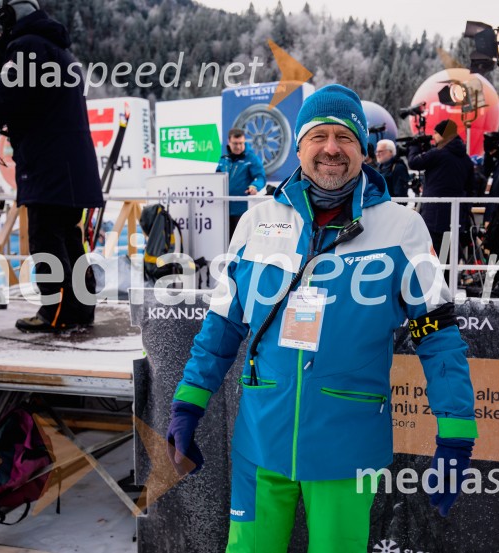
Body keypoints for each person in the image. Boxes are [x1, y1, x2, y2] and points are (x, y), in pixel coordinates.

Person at [166, 85, 477, 553]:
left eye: (345, 137)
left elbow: (438, 334)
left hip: (346, 448)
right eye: (318, 136)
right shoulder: (256, 222)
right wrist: (188, 404)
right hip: (260, 438)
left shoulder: (402, 228)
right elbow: (223, 324)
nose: (331, 148)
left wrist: (455, 433)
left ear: (364, 149)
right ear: (299, 147)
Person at [0, 0, 102, 333]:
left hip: (48, 164)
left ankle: (54, 311)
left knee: (45, 239)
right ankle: (79, 309)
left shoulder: (26, 48)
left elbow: (5, 103)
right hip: (69, 165)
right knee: (68, 237)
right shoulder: (57, 50)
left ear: (7, 16)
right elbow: (30, 104)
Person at [407, 119, 475, 255]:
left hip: (434, 215)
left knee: (432, 256)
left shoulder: (438, 154)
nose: (433, 137)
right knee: (449, 257)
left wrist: (414, 146)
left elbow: (414, 162)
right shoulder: (466, 159)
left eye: (436, 133)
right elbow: (471, 187)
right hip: (456, 217)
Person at [216, 128, 267, 239]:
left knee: (239, 242)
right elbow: (216, 179)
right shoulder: (224, 159)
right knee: (224, 242)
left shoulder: (252, 159)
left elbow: (260, 177)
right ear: (229, 142)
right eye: (235, 143)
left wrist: (254, 186)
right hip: (223, 210)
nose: (238, 146)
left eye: (241, 143)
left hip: (242, 211)